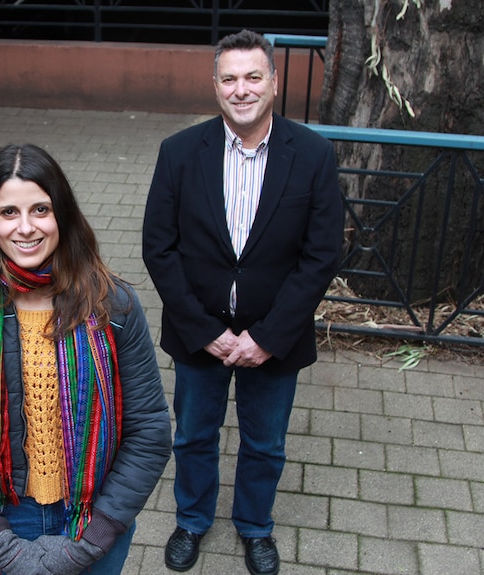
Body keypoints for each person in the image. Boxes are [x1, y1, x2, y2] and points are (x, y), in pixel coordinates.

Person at [0, 143, 171, 574]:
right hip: (0, 520)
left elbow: (150, 429)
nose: (26, 227)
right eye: (9, 212)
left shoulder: (113, 305)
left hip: (93, 517)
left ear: (62, 215)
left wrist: (91, 543)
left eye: (40, 209)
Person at [141, 29, 343, 575]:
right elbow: (159, 250)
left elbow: (321, 256)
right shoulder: (179, 152)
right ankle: (191, 521)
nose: (242, 89)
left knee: (265, 443)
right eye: (229, 78)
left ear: (274, 83)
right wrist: (205, 330)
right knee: (193, 436)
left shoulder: (315, 155)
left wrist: (268, 337)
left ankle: (256, 527)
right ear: (215, 86)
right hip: (199, 332)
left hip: (275, 336)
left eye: (254, 77)